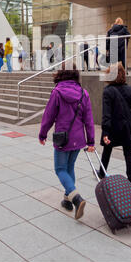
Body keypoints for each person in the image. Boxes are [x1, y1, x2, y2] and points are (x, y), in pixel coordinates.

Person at [39, 66, 95, 220]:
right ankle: (67, 200)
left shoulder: (57, 92)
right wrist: (91, 141)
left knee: (60, 169)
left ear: (61, 75)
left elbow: (48, 116)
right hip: (79, 139)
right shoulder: (84, 94)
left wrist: (42, 133)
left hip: (63, 139)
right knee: (69, 168)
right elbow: (89, 120)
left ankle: (76, 198)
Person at [98, 62, 131, 185]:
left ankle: (102, 173)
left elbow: (106, 114)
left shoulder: (108, 91)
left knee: (107, 150)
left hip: (113, 127)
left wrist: (105, 132)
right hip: (128, 127)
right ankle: (130, 178)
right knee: (128, 152)